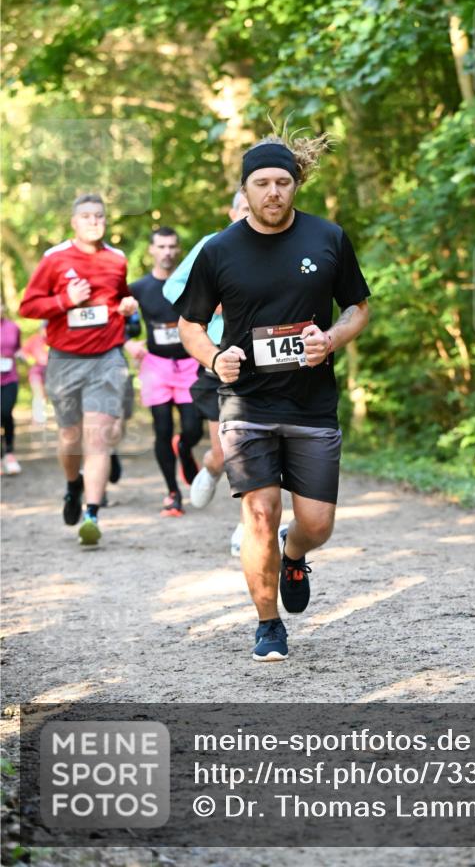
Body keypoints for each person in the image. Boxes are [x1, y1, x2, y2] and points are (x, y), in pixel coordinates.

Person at [176, 131, 371, 661]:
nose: (273, 192)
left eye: (283, 182)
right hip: (246, 404)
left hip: (311, 404)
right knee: (258, 513)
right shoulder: (219, 250)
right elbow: (189, 324)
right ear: (245, 188)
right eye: (261, 183)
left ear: (295, 185)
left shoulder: (327, 238)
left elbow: (358, 308)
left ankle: (294, 554)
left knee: (317, 524)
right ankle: (268, 625)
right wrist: (216, 357)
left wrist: (331, 339)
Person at [19, 193, 138, 546]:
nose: (93, 222)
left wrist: (126, 306)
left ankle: (92, 514)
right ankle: (73, 485)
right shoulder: (54, 259)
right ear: (74, 222)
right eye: (86, 216)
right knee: (70, 436)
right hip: (65, 360)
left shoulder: (116, 259)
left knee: (98, 437)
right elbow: (28, 306)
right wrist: (64, 301)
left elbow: (119, 299)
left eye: (99, 216)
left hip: (107, 357)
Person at [163, 192, 250, 551]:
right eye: (244, 209)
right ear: (231, 212)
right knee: (226, 450)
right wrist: (206, 302)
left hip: (262, 363)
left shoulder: (279, 245)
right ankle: (212, 467)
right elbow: (172, 287)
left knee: (252, 450)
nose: (251, 215)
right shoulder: (212, 246)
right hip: (217, 360)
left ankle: (248, 528)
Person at [128, 228, 202, 517]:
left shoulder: (190, 284)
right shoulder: (139, 288)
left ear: (178, 250)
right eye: (161, 246)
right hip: (155, 365)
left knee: (193, 428)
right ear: (151, 250)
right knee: (161, 429)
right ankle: (173, 493)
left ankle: (184, 449)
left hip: (189, 363)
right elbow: (123, 324)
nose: (167, 252)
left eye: (172, 246)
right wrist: (128, 343)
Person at [0, 299, 22, 475]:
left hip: (9, 378)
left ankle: (9, 453)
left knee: (5, 412)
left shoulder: (13, 327)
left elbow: (17, 348)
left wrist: (22, 356)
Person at [19, 321, 49, 424]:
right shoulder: (34, 339)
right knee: (38, 392)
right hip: (36, 371)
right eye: (45, 328)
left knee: (45, 394)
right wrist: (30, 360)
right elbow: (22, 352)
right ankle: (38, 417)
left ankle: (41, 414)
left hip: (49, 371)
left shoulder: (52, 340)